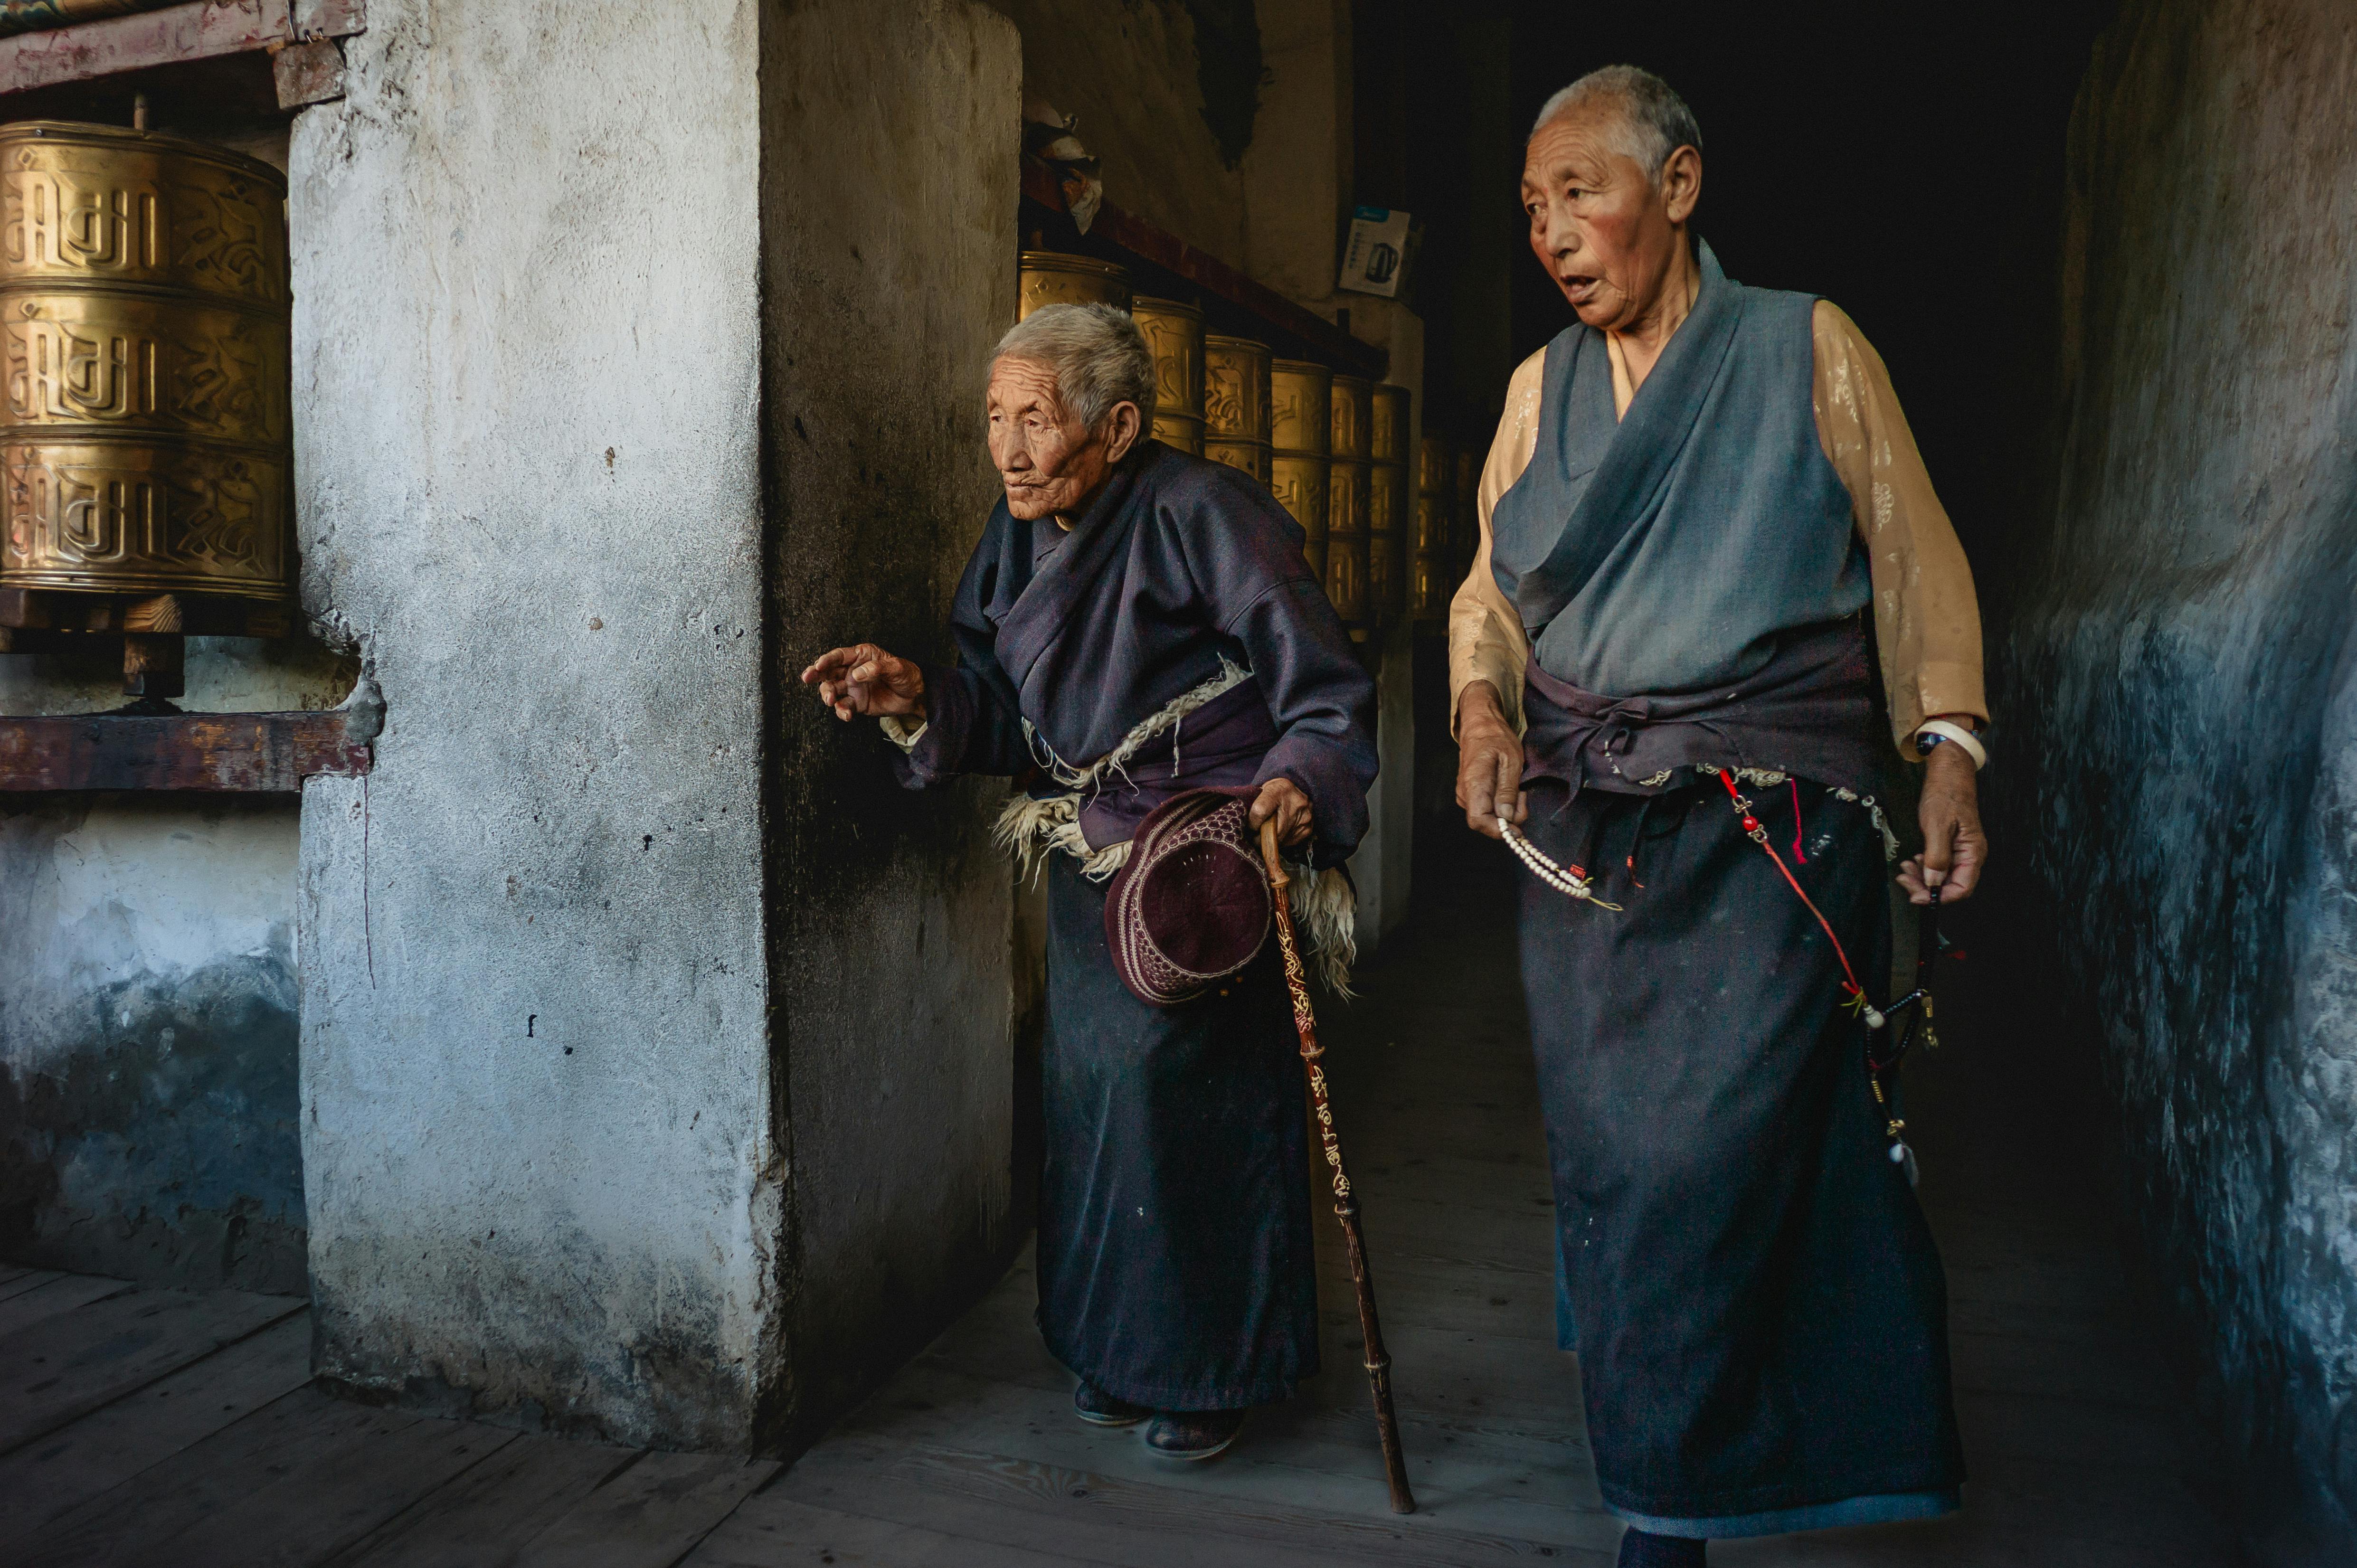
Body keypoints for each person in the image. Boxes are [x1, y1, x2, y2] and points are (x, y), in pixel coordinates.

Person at [1450, 66, 1989, 1565]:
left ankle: (1674, 1493)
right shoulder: (1533, 394)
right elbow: (1488, 596)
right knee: (1617, 1155)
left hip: (1765, 826)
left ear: (1677, 188)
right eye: (1532, 207)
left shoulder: (1804, 346)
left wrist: (1944, 749)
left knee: (1712, 1156)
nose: (1553, 232)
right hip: (1580, 835)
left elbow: (1911, 559)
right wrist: (1482, 707)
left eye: (1582, 192)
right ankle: (1661, 1430)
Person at [803, 303, 1376, 1461]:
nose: (1010, 449)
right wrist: (914, 694)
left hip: (1201, 863)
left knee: (1186, 1112)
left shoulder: (1204, 514)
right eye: (995, 420)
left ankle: (1210, 1371)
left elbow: (1320, 681)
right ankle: (1113, 1350)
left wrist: (1301, 781)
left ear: (1115, 428)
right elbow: (1003, 715)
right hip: (1089, 857)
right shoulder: (1017, 537)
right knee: (1092, 1111)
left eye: (1037, 420)